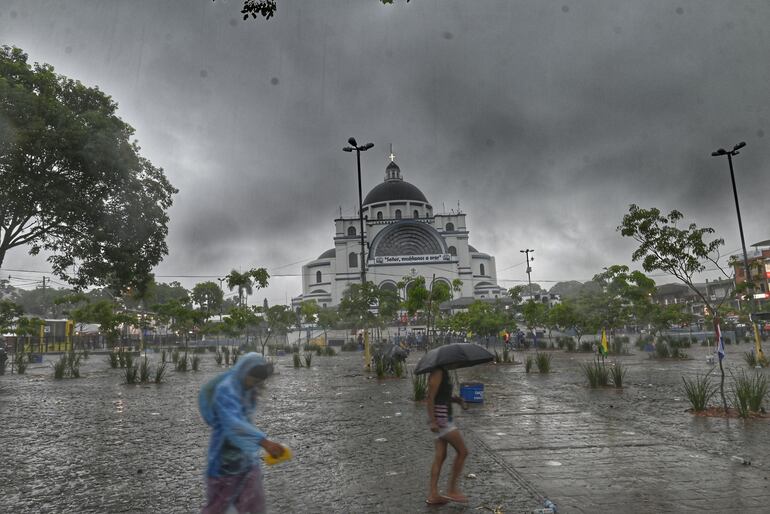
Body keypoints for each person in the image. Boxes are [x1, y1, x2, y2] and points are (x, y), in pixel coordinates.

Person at [199, 352, 285, 514]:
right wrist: (264, 442)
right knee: (218, 508)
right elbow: (234, 424)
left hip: (247, 462)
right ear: (244, 371)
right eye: (252, 379)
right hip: (224, 465)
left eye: (258, 382)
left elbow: (245, 422)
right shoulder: (225, 390)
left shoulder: (247, 390)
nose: (254, 384)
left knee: (255, 505)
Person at [425, 365, 469, 505]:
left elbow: (441, 395)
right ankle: (452, 490)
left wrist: (456, 400)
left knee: (440, 456)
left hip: (442, 418)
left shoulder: (443, 371)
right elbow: (431, 397)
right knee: (463, 452)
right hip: (442, 420)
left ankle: (433, 495)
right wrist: (433, 421)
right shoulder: (438, 372)